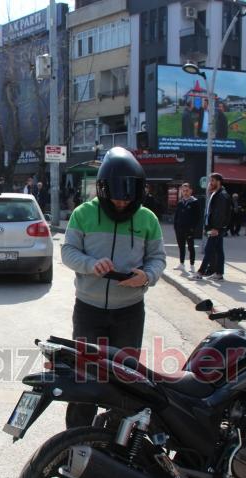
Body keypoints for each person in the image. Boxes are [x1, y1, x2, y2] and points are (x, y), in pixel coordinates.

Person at [61, 147, 166, 427]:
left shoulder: (147, 219)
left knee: (125, 378)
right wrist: (89, 264)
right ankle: (76, 437)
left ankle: (117, 439)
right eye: (116, 199)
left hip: (129, 312)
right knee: (84, 375)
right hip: (88, 310)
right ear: (103, 189)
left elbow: (157, 259)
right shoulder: (83, 214)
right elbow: (68, 251)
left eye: (127, 200)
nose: (121, 204)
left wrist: (146, 276)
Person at [190, 173, 231, 282]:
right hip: (215, 228)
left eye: (212, 181)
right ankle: (219, 273)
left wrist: (216, 228)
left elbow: (220, 214)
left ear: (218, 182)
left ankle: (200, 272)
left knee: (209, 250)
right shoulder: (216, 194)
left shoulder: (221, 195)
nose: (210, 183)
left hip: (216, 228)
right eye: (210, 181)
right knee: (218, 250)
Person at [173, 182, 200, 272]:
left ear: (191, 191)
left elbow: (197, 217)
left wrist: (193, 228)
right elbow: (176, 215)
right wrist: (175, 227)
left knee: (190, 247)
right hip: (179, 229)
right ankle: (181, 263)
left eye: (187, 190)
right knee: (181, 246)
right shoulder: (180, 202)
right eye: (183, 191)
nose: (185, 192)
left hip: (189, 229)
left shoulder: (194, 202)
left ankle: (192, 265)